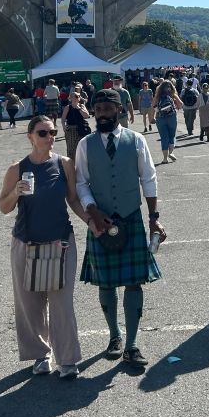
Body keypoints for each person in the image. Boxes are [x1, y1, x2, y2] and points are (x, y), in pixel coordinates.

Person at [75, 89, 166, 368]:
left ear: (119, 110)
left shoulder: (136, 140)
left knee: (133, 282)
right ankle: (114, 337)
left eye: (107, 108)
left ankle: (132, 344)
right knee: (105, 281)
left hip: (130, 217)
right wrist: (93, 210)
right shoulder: (85, 144)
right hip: (101, 220)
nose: (102, 113)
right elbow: (81, 183)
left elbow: (148, 179)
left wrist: (153, 217)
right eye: (98, 108)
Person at [0, 115, 91, 379]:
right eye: (42, 133)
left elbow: (73, 200)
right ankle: (40, 354)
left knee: (61, 302)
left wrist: (91, 222)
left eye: (52, 132)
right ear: (30, 136)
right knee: (30, 302)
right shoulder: (17, 169)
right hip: (25, 242)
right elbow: (3, 207)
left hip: (60, 241)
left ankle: (68, 360)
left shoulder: (64, 164)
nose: (49, 137)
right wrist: (15, 192)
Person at [154, 80, 183, 163]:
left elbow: (153, 106)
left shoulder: (158, 96)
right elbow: (181, 104)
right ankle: (171, 152)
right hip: (172, 117)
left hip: (160, 118)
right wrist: (175, 106)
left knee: (164, 137)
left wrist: (152, 117)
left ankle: (165, 158)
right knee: (172, 135)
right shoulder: (173, 95)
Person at [61, 90, 91, 159]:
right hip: (71, 130)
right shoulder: (68, 107)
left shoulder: (82, 106)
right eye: (75, 96)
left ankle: (82, 163)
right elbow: (63, 119)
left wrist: (79, 108)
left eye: (78, 96)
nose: (77, 98)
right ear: (70, 98)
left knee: (82, 148)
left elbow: (86, 116)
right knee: (71, 149)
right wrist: (64, 127)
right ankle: (71, 164)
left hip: (81, 129)